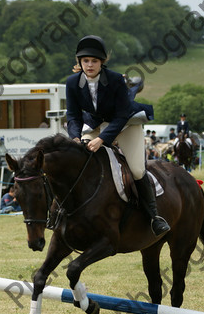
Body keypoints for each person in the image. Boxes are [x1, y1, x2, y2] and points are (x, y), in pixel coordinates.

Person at [65, 35, 170, 236]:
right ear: (79, 62)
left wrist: (102, 139)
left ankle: (154, 217)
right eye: (85, 61)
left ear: (102, 62)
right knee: (79, 160)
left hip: (125, 124)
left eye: (94, 61)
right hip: (96, 124)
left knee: (138, 170)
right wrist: (75, 138)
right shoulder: (72, 83)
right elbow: (73, 115)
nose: (89, 65)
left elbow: (121, 116)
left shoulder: (114, 80)